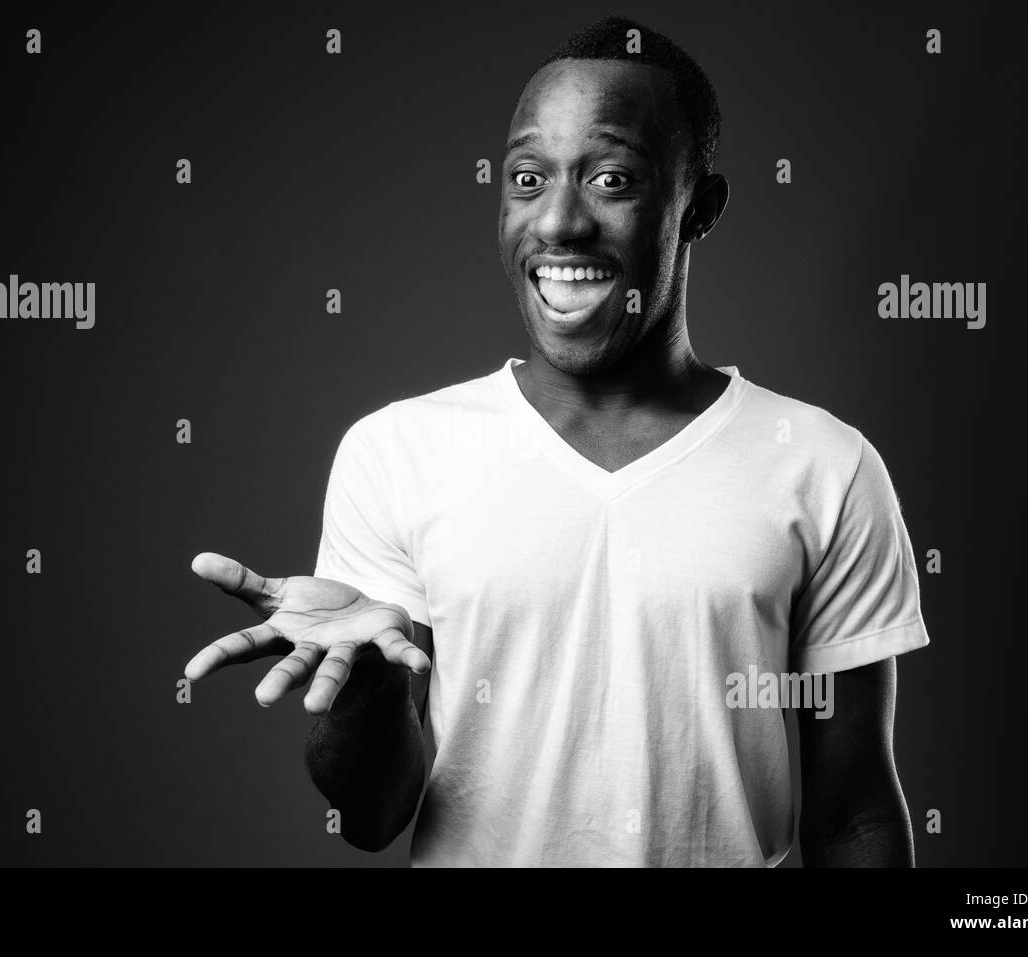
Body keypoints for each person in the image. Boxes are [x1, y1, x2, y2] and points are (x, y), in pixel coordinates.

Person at [184, 15, 930, 867]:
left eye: (612, 178)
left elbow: (856, 816)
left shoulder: (825, 466)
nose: (559, 223)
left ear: (699, 208)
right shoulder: (396, 452)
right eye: (528, 178)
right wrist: (369, 687)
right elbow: (370, 814)